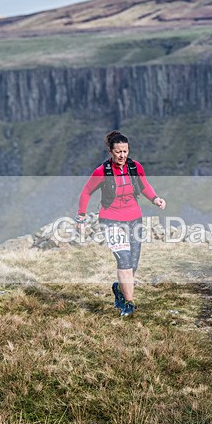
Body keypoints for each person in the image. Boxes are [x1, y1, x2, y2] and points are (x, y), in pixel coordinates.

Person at [77, 130, 166, 316]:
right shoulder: (102, 171)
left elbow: (144, 186)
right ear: (111, 151)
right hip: (110, 219)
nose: (122, 155)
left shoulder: (135, 167)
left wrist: (155, 199)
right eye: (118, 152)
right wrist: (81, 218)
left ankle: (119, 288)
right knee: (124, 260)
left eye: (125, 151)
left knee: (133, 264)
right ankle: (129, 304)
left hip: (134, 217)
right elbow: (86, 192)